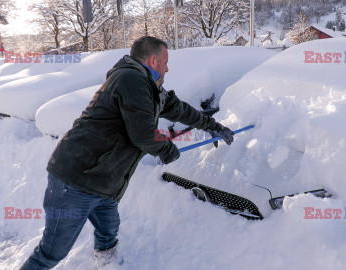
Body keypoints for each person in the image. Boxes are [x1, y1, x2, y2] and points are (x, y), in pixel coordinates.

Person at [21, 36, 234, 269]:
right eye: (165, 62)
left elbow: (179, 109)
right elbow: (143, 134)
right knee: (51, 253)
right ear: (153, 60)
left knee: (108, 231)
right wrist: (167, 150)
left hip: (103, 181)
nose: (167, 68)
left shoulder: (148, 87)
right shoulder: (131, 79)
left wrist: (213, 126)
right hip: (75, 180)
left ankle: (108, 263)